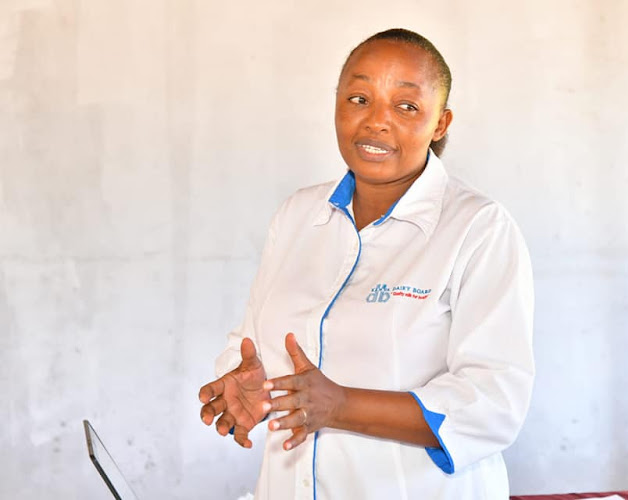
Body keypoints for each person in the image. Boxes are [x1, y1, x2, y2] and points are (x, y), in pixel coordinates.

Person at [198, 28, 534, 500]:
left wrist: (342, 405)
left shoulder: (477, 229)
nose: (376, 121)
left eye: (406, 106)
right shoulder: (298, 217)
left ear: (441, 123)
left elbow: (493, 403)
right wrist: (254, 387)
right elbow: (253, 346)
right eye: (359, 98)